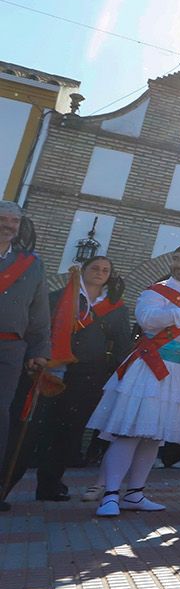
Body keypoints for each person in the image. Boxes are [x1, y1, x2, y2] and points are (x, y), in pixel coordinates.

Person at [88, 243, 180, 517]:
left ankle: (135, 494)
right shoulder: (156, 290)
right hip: (152, 365)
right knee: (130, 433)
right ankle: (110, 495)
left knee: (153, 437)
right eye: (178, 258)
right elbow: (148, 320)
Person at [32, 256, 131, 501]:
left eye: (105, 270)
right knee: (43, 426)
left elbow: (122, 344)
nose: (99, 272)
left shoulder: (115, 306)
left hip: (89, 373)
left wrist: (120, 374)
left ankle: (52, 481)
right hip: (53, 369)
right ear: (84, 270)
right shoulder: (60, 297)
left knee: (70, 429)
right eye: (95, 268)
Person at [0, 200, 50, 512]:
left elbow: (39, 310)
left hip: (10, 349)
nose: (8, 225)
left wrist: (39, 350)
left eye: (13, 222)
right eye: (3, 219)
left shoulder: (32, 263)